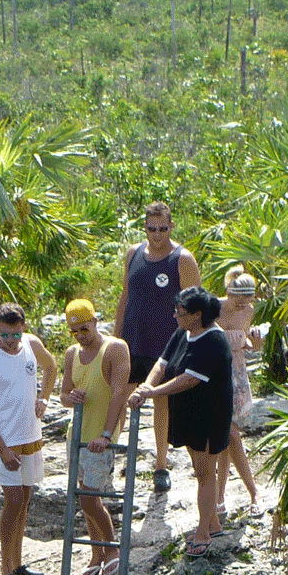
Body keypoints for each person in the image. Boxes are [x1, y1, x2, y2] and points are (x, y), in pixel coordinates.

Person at [131, 287, 232, 555]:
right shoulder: (182, 333)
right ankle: (212, 523)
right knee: (199, 468)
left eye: (181, 312)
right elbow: (162, 364)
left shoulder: (215, 340)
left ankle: (203, 533)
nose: (175, 315)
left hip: (209, 415)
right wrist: (146, 386)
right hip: (188, 412)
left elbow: (190, 378)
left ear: (198, 314)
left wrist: (154, 392)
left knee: (205, 472)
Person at [0, 303, 58, 575]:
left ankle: (17, 563)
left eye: (15, 334)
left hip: (30, 434)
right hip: (4, 439)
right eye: (5, 334)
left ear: (23, 327)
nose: (11, 340)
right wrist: (2, 447)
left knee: (26, 499)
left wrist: (44, 398)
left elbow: (51, 367)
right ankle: (5, 572)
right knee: (13, 501)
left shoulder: (31, 344)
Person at [112, 201, 201, 494]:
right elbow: (125, 297)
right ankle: (108, 455)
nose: (157, 234)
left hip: (165, 345)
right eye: (152, 229)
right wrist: (114, 340)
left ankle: (160, 465)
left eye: (163, 228)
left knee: (160, 401)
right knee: (119, 396)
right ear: (145, 227)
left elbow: (196, 306)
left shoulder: (182, 259)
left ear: (171, 226)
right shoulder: (133, 254)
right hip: (131, 340)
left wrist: (192, 345)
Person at [56, 298, 132, 575]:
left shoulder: (114, 348)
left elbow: (118, 393)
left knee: (89, 497)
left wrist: (107, 435)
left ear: (95, 321)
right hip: (76, 436)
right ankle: (96, 553)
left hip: (100, 436)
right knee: (85, 497)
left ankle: (111, 547)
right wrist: (70, 397)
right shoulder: (71, 353)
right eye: (74, 332)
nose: (80, 336)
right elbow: (63, 395)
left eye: (84, 329)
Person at [218, 266, 264, 512]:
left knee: (228, 436)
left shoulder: (248, 311)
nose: (242, 305)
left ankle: (220, 497)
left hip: (236, 373)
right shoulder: (212, 308)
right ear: (228, 292)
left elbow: (242, 341)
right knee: (230, 434)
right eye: (238, 299)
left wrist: (255, 343)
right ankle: (252, 492)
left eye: (247, 300)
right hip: (214, 374)